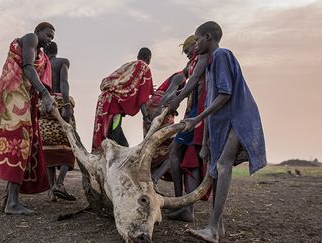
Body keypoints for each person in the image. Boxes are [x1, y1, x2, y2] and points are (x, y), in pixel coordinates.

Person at [167, 21, 267, 242]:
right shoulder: (211, 65)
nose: (195, 45)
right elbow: (211, 102)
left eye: (198, 39)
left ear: (208, 37)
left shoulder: (221, 55)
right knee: (214, 168)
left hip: (238, 119)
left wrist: (197, 119)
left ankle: (212, 229)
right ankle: (217, 228)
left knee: (222, 167)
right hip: (224, 123)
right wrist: (205, 142)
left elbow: (225, 95)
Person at [0, 22, 57, 215]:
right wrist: (45, 94)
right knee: (19, 144)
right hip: (12, 96)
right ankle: (12, 203)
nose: (49, 39)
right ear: (38, 32)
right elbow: (27, 67)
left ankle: (9, 199)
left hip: (21, 99)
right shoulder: (31, 38)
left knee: (22, 145)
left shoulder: (42, 55)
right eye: (48, 35)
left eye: (52, 38)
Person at [154, 35, 212, 222]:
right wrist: (174, 98)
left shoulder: (203, 58)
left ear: (197, 45)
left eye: (188, 52)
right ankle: (184, 206)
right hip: (192, 112)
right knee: (184, 155)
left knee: (179, 153)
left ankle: (183, 206)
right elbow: (184, 82)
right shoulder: (194, 62)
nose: (187, 56)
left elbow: (194, 81)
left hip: (198, 114)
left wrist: (175, 100)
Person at [92, 48, 154, 151]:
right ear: (149, 58)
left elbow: (124, 84)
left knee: (123, 144)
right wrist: (146, 117)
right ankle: (109, 165)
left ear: (138, 56)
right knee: (113, 140)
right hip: (114, 108)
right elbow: (143, 98)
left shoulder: (129, 65)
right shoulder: (144, 68)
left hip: (104, 102)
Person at [42, 41, 76, 201]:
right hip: (59, 105)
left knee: (49, 148)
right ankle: (59, 184)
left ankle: (51, 190)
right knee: (68, 147)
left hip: (44, 107)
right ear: (56, 51)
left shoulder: (41, 64)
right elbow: (64, 83)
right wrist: (67, 104)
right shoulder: (62, 62)